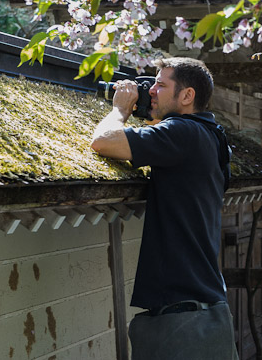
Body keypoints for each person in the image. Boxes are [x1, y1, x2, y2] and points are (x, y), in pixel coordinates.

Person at [90, 57, 237, 360]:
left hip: (186, 323)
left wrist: (120, 109)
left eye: (161, 84)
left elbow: (103, 142)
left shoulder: (183, 132)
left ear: (186, 96)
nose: (152, 90)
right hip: (202, 313)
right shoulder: (209, 135)